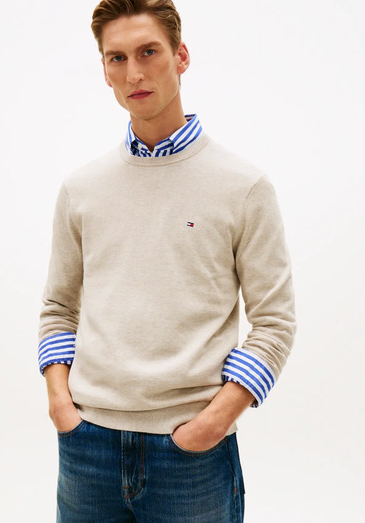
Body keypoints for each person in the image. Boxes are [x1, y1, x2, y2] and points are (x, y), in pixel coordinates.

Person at [38, 1, 296, 521]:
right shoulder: (82, 188)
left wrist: (211, 423)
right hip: (87, 448)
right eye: (117, 58)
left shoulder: (243, 186)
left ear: (181, 56)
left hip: (191, 455)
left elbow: (274, 323)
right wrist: (62, 406)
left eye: (148, 52)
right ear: (104, 70)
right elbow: (58, 308)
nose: (133, 72)